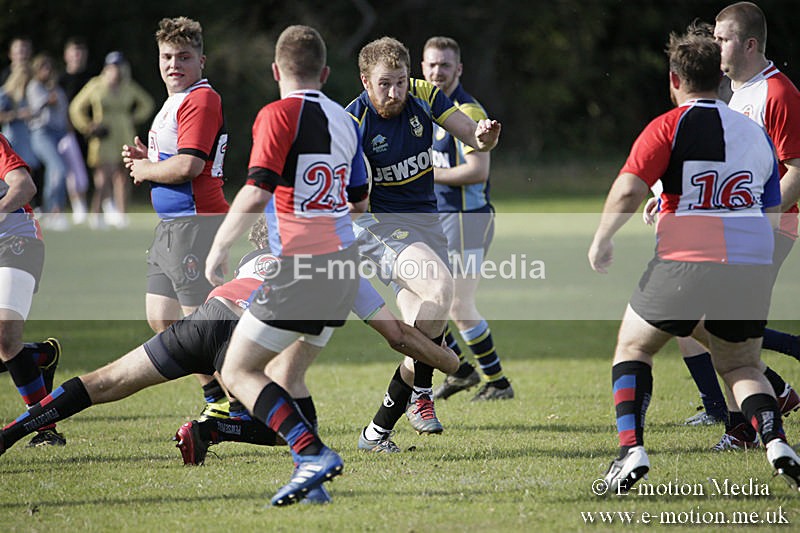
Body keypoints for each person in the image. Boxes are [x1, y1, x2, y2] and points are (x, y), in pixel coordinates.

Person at [0, 219, 457, 480]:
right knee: (290, 426)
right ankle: (219, 430)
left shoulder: (253, 257)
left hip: (207, 319)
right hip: (246, 337)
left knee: (105, 382)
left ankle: (12, 432)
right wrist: (450, 361)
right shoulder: (339, 268)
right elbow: (398, 336)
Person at [588, 26, 800, 493]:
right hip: (747, 264)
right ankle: (777, 443)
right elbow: (769, 207)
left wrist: (602, 237)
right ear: (721, 81)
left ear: (674, 79)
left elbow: (628, 187)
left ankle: (630, 451)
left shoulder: (668, 125)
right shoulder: (755, 135)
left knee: (633, 348)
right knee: (742, 365)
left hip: (686, 259)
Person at [204, 24, 368, 506]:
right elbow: (359, 202)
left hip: (302, 266)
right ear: (326, 72)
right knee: (284, 374)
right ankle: (313, 481)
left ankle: (311, 453)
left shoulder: (277, 114)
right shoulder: (345, 121)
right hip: (343, 269)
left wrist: (219, 247)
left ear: (276, 70)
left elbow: (256, 189)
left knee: (236, 372)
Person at [650, 3, 800, 448]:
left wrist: (759, 221)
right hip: (729, 229)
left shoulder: (777, 93)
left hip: (769, 230)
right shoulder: (733, 93)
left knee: (717, 325)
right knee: (696, 320)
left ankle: (747, 426)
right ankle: (770, 395)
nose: (714, 46)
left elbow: (796, 169)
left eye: (723, 38)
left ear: (750, 44)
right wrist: (665, 198)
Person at [345, 36, 501, 450]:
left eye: (400, 81)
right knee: (441, 290)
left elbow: (474, 139)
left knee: (421, 338)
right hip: (381, 228)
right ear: (365, 81)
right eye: (384, 84)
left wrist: (485, 136)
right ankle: (424, 397)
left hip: (426, 229)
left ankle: (375, 433)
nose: (395, 92)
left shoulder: (423, 94)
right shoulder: (352, 123)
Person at [121, 17, 229, 420]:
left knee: (202, 326)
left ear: (202, 60)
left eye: (184, 57)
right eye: (167, 56)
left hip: (195, 224)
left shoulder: (201, 99)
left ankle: (250, 403)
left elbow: (189, 166)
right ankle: (218, 395)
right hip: (172, 227)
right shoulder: (174, 100)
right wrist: (146, 162)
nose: (173, 65)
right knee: (161, 318)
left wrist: (146, 171)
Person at [421, 36, 513, 402]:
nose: (437, 71)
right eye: (430, 64)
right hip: (439, 218)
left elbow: (477, 171)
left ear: (458, 69)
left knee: (457, 304)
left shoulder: (467, 111)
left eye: (444, 65)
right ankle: (461, 370)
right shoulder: (425, 107)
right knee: (424, 295)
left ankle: (497, 382)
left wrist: (423, 174)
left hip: (466, 219)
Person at [0, 133, 63, 447]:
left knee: (5, 336)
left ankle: (45, 428)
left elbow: (25, 186)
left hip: (16, 239)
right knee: (6, 346)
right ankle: (38, 356)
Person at [71, 50, 154, 228]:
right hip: (104, 134)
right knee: (103, 176)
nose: (116, 71)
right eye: (113, 67)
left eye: (119, 67)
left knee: (123, 175)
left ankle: (121, 215)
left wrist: (133, 117)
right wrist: (88, 126)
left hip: (124, 133)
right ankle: (96, 214)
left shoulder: (128, 85)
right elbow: (76, 108)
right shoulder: (96, 85)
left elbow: (147, 103)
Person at [26, 54, 70, 230]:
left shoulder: (55, 88)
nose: (47, 71)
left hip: (58, 133)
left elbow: (63, 109)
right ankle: (53, 209)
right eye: (43, 68)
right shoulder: (34, 87)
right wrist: (47, 100)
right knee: (58, 168)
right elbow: (35, 108)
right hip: (41, 133)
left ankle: (53, 210)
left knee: (54, 171)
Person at [58, 37, 93, 225]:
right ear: (66, 55)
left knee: (89, 170)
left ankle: (95, 206)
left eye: (80, 52)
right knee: (72, 171)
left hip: (88, 131)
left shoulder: (92, 78)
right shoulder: (60, 80)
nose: (77, 56)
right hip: (66, 132)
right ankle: (77, 206)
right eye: (74, 51)